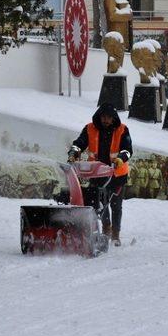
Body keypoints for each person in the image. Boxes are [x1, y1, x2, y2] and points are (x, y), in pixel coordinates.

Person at [68, 103, 133, 246]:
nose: (105, 120)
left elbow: (127, 149)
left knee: (116, 206)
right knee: (100, 204)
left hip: (116, 176)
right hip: (96, 175)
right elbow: (80, 143)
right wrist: (74, 152)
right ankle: (105, 230)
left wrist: (120, 159)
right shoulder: (90, 128)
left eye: (108, 118)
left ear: (113, 118)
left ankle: (115, 234)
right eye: (103, 117)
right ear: (99, 116)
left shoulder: (122, 130)